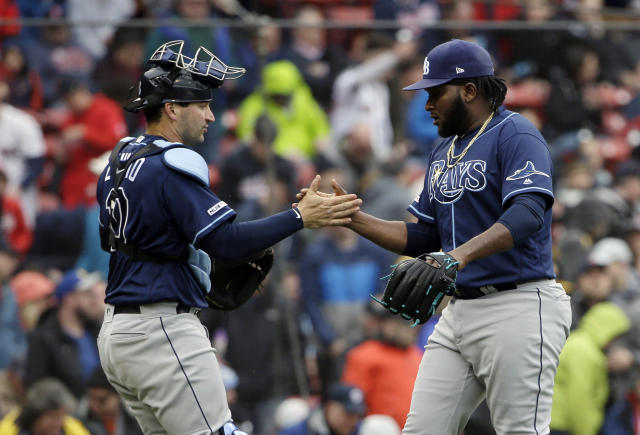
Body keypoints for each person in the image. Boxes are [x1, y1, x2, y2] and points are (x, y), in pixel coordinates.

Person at [301, 39, 572, 434]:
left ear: (469, 90)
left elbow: (528, 213)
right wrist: (352, 218)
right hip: (458, 311)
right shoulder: (442, 151)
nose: (427, 103)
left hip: (518, 305)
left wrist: (456, 256)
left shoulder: (515, 133)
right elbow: (424, 235)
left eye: (435, 92)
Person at [96, 40, 361, 435]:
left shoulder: (121, 160)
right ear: (171, 108)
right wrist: (298, 217)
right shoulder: (172, 162)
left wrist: (200, 269)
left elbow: (154, 242)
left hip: (119, 334)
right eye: (201, 105)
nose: (210, 116)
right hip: (160, 329)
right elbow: (225, 241)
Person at [550, 302, 631, 435]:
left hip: (559, 424)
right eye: (614, 336)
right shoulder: (584, 351)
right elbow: (580, 398)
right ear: (607, 328)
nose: (613, 342)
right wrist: (585, 431)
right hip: (563, 427)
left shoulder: (579, 342)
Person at [0, 378, 90, 435]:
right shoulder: (9, 430)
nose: (59, 423)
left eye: (61, 416)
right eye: (53, 416)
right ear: (34, 415)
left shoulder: (71, 428)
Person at [276, 383, 366, 435]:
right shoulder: (298, 432)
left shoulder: (361, 430)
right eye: (348, 414)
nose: (354, 421)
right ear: (330, 407)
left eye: (358, 415)